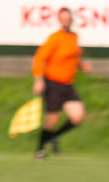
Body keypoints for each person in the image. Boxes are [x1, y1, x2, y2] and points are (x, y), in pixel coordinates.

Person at [31, 7, 91, 159]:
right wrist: (38, 80)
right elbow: (40, 58)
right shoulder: (55, 38)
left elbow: (74, 56)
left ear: (71, 20)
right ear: (59, 20)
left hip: (67, 85)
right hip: (53, 83)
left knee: (78, 116)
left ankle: (53, 136)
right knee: (52, 120)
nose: (66, 21)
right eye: (63, 18)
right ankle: (39, 150)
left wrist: (81, 65)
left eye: (68, 18)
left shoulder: (74, 37)